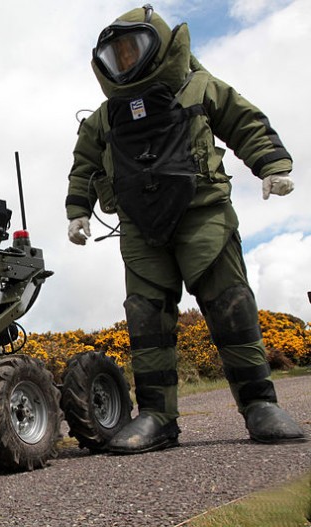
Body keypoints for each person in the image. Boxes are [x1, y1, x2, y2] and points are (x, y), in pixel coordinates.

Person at [65, 4, 306, 454]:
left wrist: (271, 165)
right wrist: (77, 211)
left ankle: (260, 405)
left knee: (230, 306)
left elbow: (242, 120)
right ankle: (157, 416)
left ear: (156, 44)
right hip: (139, 227)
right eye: (115, 55)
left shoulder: (198, 85)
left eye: (131, 50)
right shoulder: (105, 116)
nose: (125, 61)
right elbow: (84, 164)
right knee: (145, 322)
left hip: (204, 215)